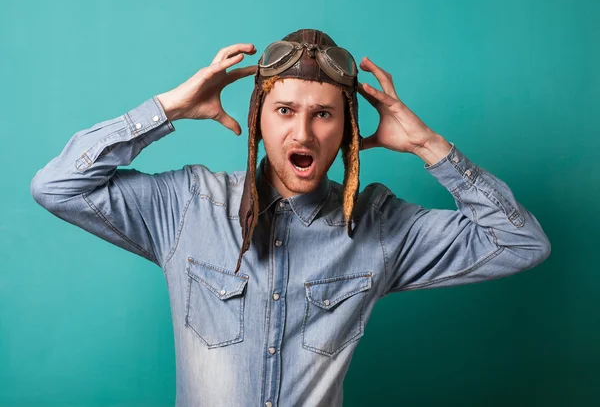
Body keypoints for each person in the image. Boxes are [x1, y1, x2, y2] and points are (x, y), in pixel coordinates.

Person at [30, 29, 551, 407]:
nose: (302, 133)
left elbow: (522, 241)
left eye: (323, 114)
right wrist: (169, 107)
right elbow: (55, 186)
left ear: (346, 127)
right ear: (258, 115)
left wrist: (428, 145)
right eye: (284, 111)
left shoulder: (382, 227)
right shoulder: (188, 206)